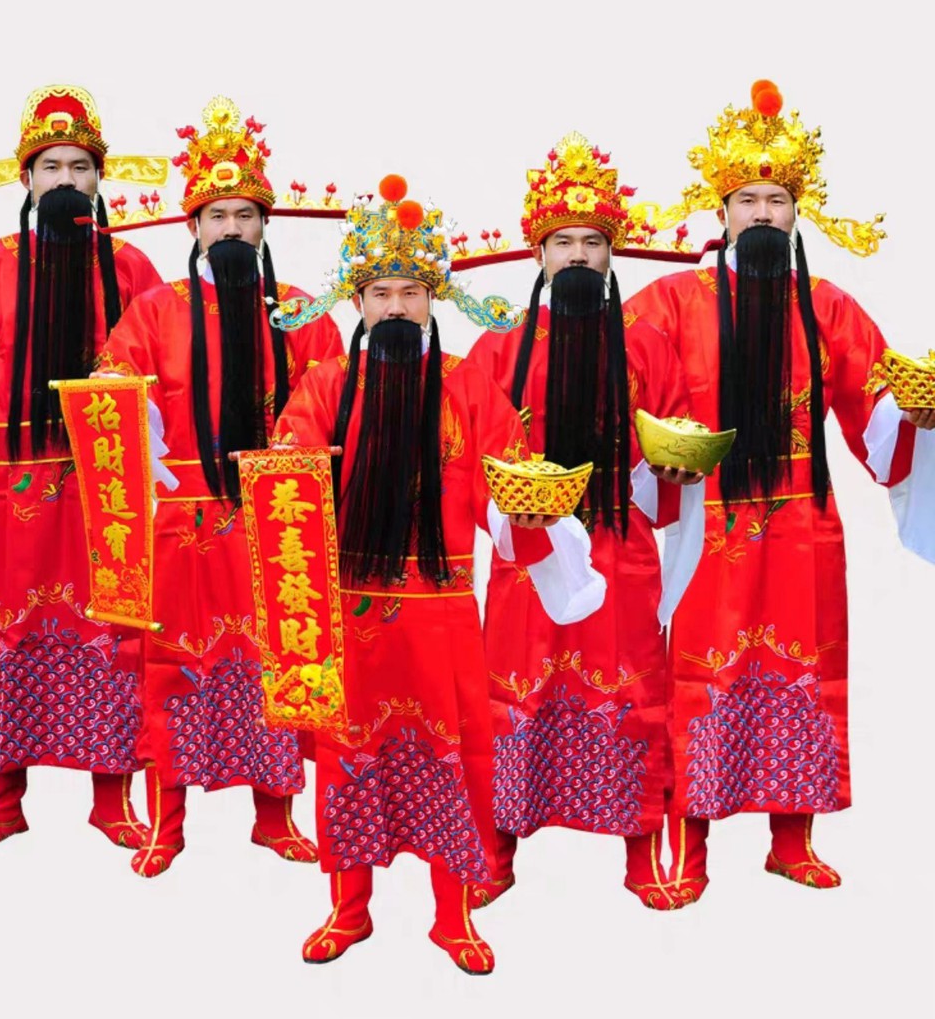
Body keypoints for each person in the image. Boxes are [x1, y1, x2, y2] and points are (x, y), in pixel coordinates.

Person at [271, 174, 600, 973]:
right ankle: (349, 908)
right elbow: (286, 482)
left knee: (453, 755)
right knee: (351, 756)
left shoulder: (464, 385)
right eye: (381, 293)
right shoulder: (326, 385)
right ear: (357, 302)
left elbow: (509, 479)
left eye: (411, 294)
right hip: (350, 611)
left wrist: (529, 513)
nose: (396, 308)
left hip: (442, 609)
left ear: (432, 301)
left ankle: (453, 915)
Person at [624, 80, 935, 905]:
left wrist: (917, 414)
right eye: (748, 201)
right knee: (700, 678)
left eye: (777, 201)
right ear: (721, 211)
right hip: (707, 521)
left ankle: (791, 842)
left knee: (806, 674)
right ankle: (690, 847)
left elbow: (876, 406)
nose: (763, 214)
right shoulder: (670, 304)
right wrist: (652, 460)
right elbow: (617, 391)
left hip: (801, 522)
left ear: (798, 213)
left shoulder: (826, 306)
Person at [96, 96, 343, 877]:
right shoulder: (153, 312)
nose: (231, 229)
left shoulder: (301, 313)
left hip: (277, 528)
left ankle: (275, 817)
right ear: (194, 226)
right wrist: (143, 433)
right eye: (217, 216)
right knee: (170, 668)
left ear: (265, 225)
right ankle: (167, 824)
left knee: (280, 667)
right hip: (181, 526)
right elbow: (111, 394)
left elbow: (337, 402)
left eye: (245, 216)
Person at [467, 131, 704, 910]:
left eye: (591, 243)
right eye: (562, 243)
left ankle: (640, 854)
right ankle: (495, 850)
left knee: (634, 695)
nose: (576, 256)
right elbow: (467, 450)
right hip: (526, 556)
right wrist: (512, 508)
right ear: (538, 254)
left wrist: (672, 473)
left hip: (619, 546)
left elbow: (677, 437)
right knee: (511, 697)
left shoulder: (647, 345)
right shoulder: (499, 348)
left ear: (611, 254)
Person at [0, 84, 163, 852]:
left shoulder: (130, 266)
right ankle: (3, 799)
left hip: (107, 489)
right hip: (16, 485)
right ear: (26, 178)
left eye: (79, 167)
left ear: (100, 178)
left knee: (112, 634)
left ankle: (112, 800)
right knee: (7, 635)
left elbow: (164, 354)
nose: (65, 179)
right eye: (51, 167)